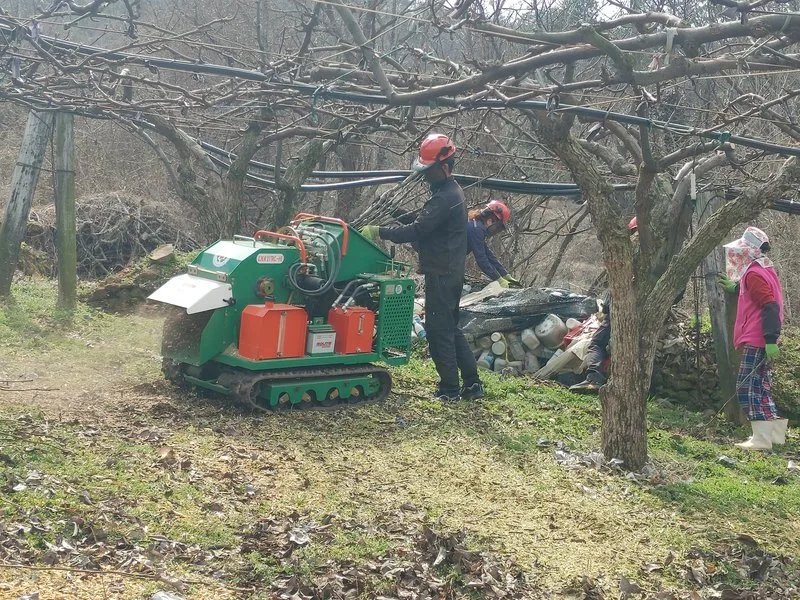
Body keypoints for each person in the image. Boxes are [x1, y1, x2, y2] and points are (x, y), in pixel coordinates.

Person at [360, 134, 484, 402]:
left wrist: (379, 231)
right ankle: (472, 383)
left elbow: (417, 229)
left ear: (444, 167)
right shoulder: (448, 193)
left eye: (428, 171)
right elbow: (423, 224)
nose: (425, 176)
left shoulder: (445, 197)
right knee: (450, 328)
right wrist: (391, 210)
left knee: (439, 332)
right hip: (448, 271)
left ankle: (450, 390)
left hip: (442, 273)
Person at [718, 226, 787, 451]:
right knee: (762, 385)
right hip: (764, 337)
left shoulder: (754, 273)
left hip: (758, 336)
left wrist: (769, 338)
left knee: (747, 386)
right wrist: (736, 287)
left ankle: (760, 439)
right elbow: (758, 293)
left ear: (750, 251)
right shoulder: (765, 269)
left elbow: (769, 305)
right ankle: (775, 436)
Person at [569, 216, 639, 394]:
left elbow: (615, 286)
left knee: (597, 343)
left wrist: (604, 310)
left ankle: (594, 379)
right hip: (643, 311)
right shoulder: (659, 256)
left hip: (620, 310)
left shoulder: (629, 254)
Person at [467, 199, 520, 287]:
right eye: (497, 227)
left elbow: (487, 253)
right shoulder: (476, 229)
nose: (496, 230)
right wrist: (499, 279)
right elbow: (481, 259)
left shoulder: (476, 225)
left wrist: (505, 274)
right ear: (490, 220)